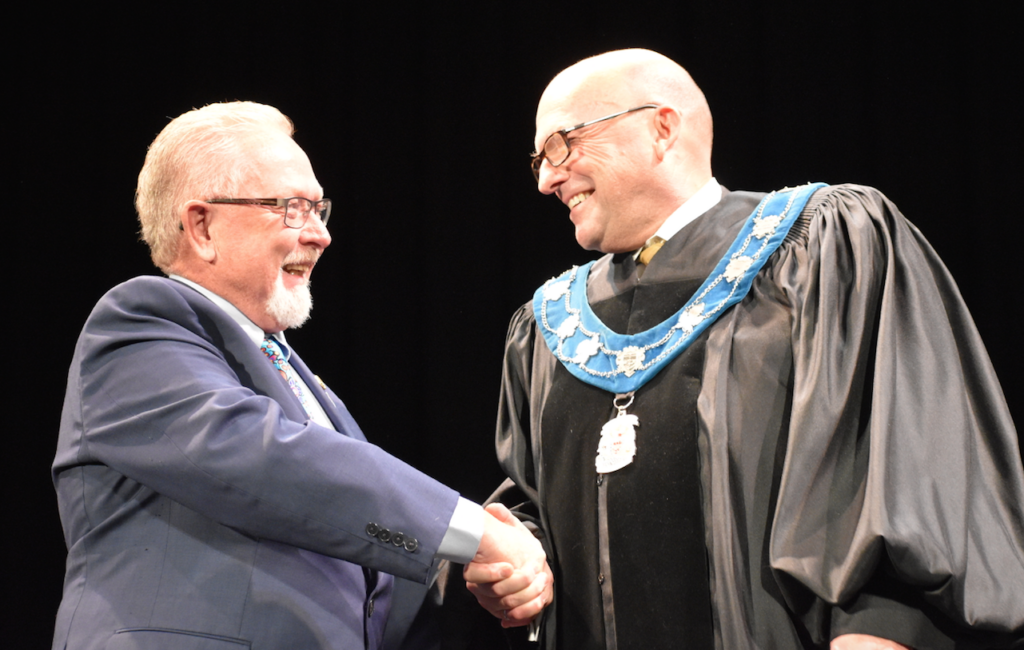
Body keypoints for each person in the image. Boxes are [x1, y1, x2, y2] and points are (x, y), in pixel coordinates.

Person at [463, 49, 1024, 649]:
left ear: (661, 128)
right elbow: (536, 502)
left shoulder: (822, 248)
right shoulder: (551, 327)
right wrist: (515, 562)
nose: (547, 178)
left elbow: (911, 464)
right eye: (539, 160)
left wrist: (883, 631)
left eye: (561, 145)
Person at [51, 101, 550, 650]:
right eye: (291, 208)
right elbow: (252, 455)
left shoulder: (298, 380)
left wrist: (474, 574)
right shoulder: (140, 323)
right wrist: (470, 532)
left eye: (318, 210)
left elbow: (359, 579)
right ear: (201, 226)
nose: (320, 235)